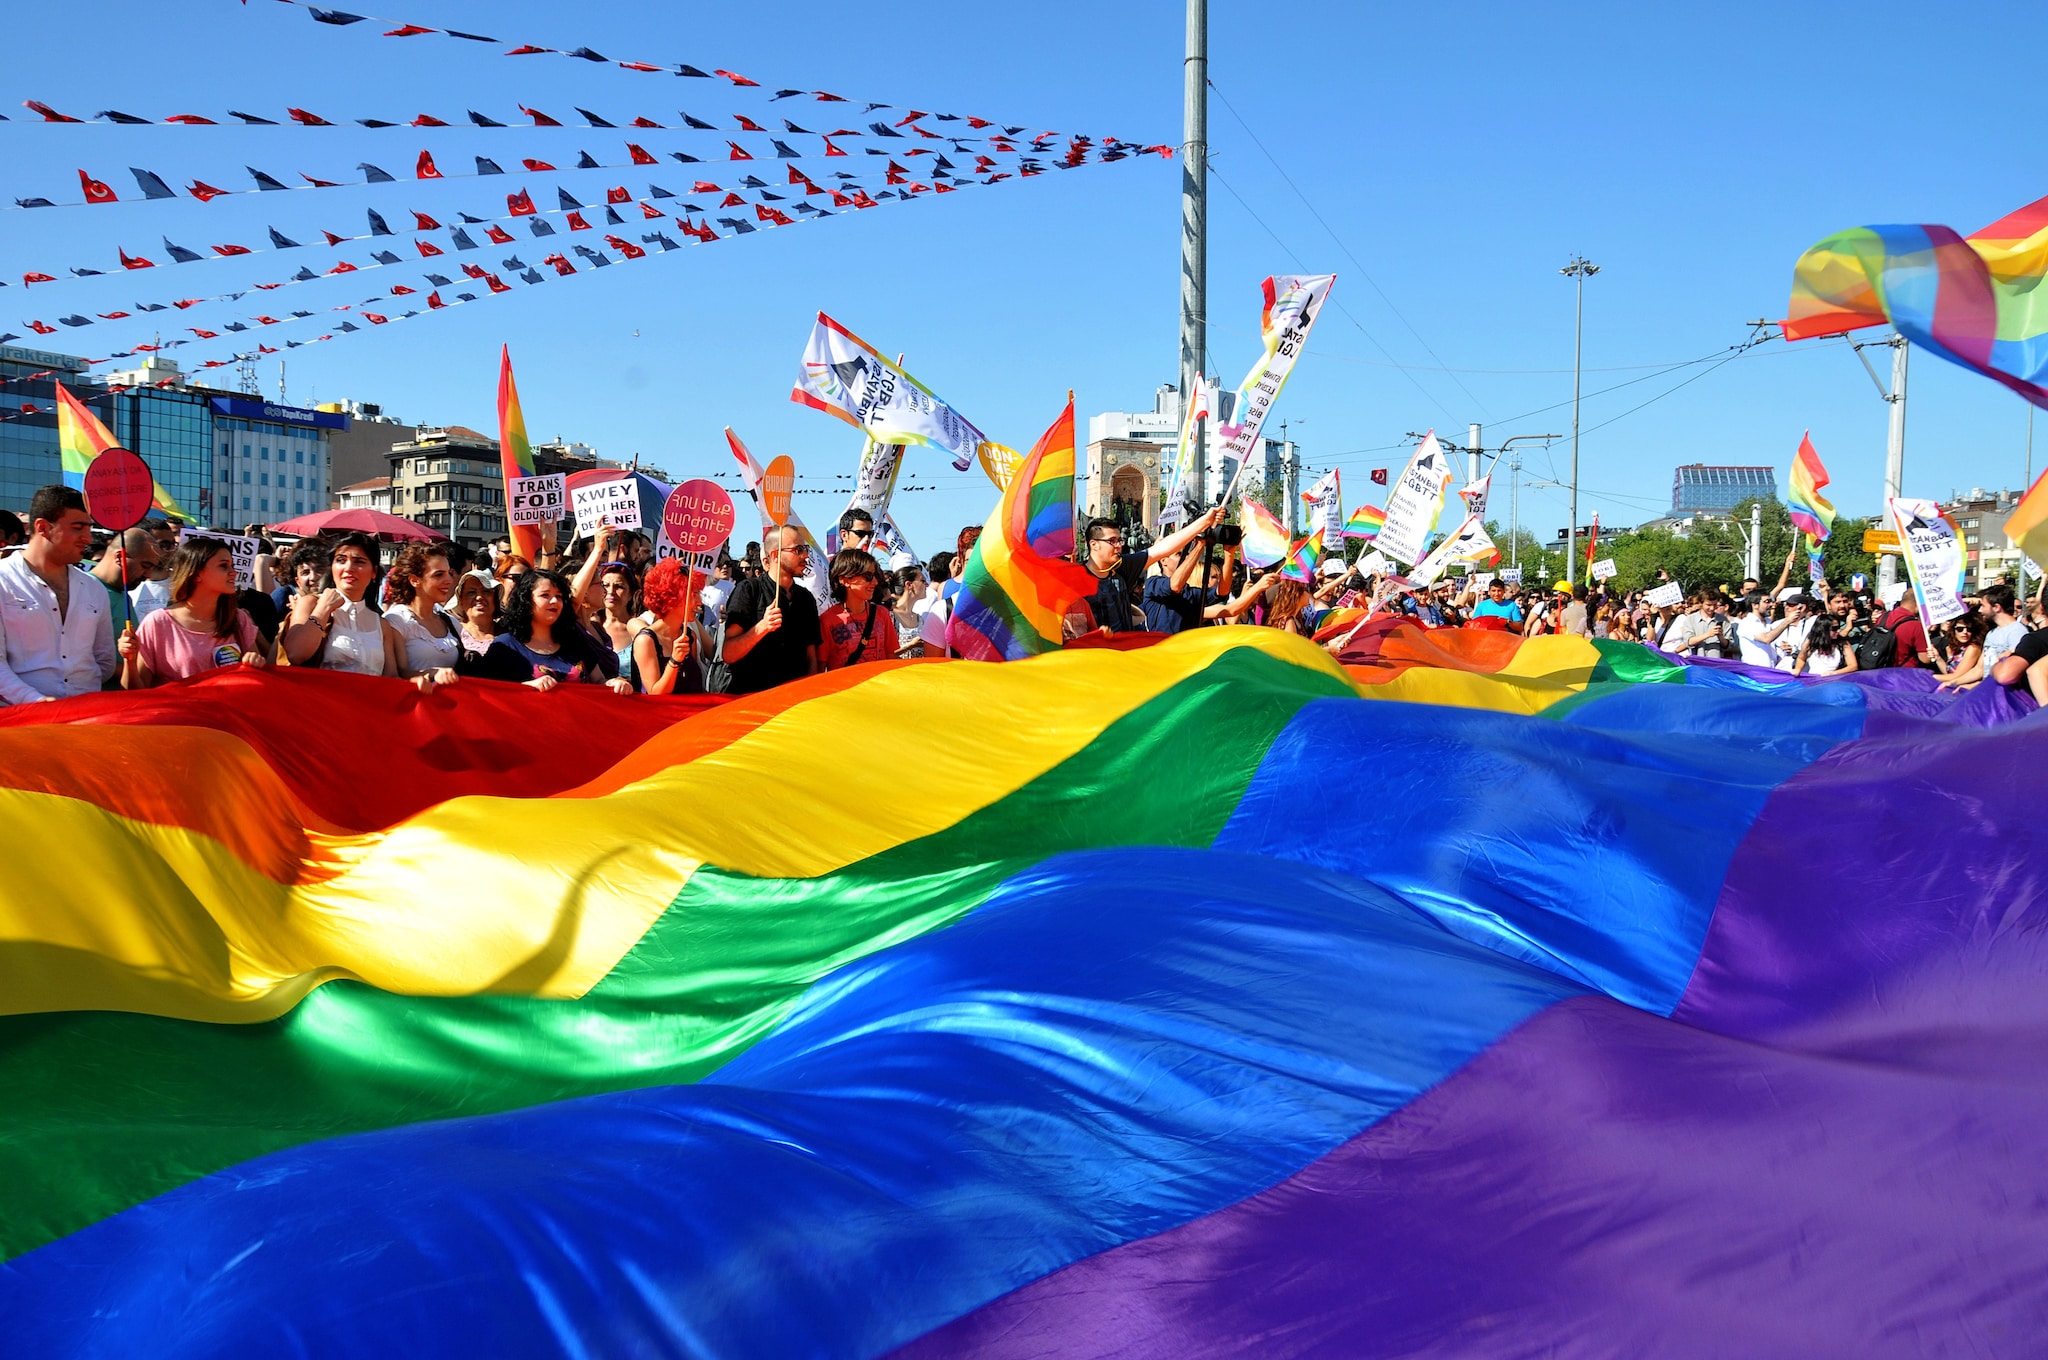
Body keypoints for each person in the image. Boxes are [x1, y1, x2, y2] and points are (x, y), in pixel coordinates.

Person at [0, 485, 117, 704]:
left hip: (86, 718)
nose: (88, 538)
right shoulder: (3, 581)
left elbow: (104, 659)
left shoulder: (93, 588)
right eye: (78, 528)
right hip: (21, 724)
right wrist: (36, 701)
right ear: (43, 527)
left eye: (89, 528)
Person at [116, 536, 268, 688]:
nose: (233, 573)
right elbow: (136, 691)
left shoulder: (238, 619)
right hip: (178, 711)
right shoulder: (157, 622)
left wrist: (255, 662)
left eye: (232, 566)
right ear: (196, 574)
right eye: (224, 566)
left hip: (227, 711)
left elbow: (256, 677)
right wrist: (129, 661)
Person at [475, 568, 633, 693]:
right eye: (545, 595)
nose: (554, 601)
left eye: (559, 596)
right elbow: (488, 694)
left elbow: (598, 680)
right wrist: (526, 687)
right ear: (526, 601)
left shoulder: (574, 639)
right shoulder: (504, 647)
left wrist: (613, 683)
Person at [281, 532, 402, 676]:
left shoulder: (381, 624)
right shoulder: (312, 603)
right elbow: (295, 654)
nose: (349, 568)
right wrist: (323, 610)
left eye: (359, 562)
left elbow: (391, 678)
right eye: (340, 560)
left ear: (374, 572)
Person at [721, 523, 823, 692]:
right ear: (775, 555)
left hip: (794, 703)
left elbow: (811, 656)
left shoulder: (805, 598)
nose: (805, 556)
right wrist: (762, 627)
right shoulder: (749, 590)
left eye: (805, 549)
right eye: (798, 550)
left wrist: (808, 692)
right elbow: (729, 653)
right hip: (753, 700)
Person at [384, 542, 465, 691]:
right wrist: (432, 673)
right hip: (414, 708)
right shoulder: (396, 620)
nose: (449, 580)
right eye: (439, 574)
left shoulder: (449, 621)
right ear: (414, 580)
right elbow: (400, 672)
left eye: (449, 573)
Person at [625, 557, 706, 695]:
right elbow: (655, 694)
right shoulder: (645, 640)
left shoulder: (689, 636)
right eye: (693, 594)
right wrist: (674, 661)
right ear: (673, 596)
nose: (699, 602)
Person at [819, 547, 900, 670]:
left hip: (880, 686)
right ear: (845, 580)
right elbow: (820, 667)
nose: (875, 582)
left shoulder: (882, 613)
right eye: (868, 576)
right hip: (846, 688)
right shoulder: (827, 620)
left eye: (875, 575)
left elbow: (892, 656)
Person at [1943, 583, 2024, 689]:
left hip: (2004, 696)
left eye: (1983, 605)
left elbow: (2015, 671)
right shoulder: (1991, 633)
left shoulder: (2017, 631)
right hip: (1988, 691)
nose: (1980, 610)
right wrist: (1955, 682)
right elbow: (1980, 669)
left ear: (1996, 607)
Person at [90, 526, 159, 628]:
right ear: (119, 557)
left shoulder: (123, 596)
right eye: (145, 566)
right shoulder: (83, 591)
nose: (148, 575)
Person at [1884, 592, 1936, 668]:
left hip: (1881, 671)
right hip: (1906, 673)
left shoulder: (1883, 617)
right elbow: (1925, 659)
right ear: (1918, 604)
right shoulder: (1916, 626)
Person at [455, 570, 499, 659]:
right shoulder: (453, 633)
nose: (479, 597)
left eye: (486, 591)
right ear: (461, 601)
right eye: (471, 592)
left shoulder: (510, 635)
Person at [889, 562, 928, 658]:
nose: (926, 585)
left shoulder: (919, 618)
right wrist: (910, 645)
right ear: (909, 584)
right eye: (922, 581)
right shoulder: (891, 615)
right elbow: (886, 653)